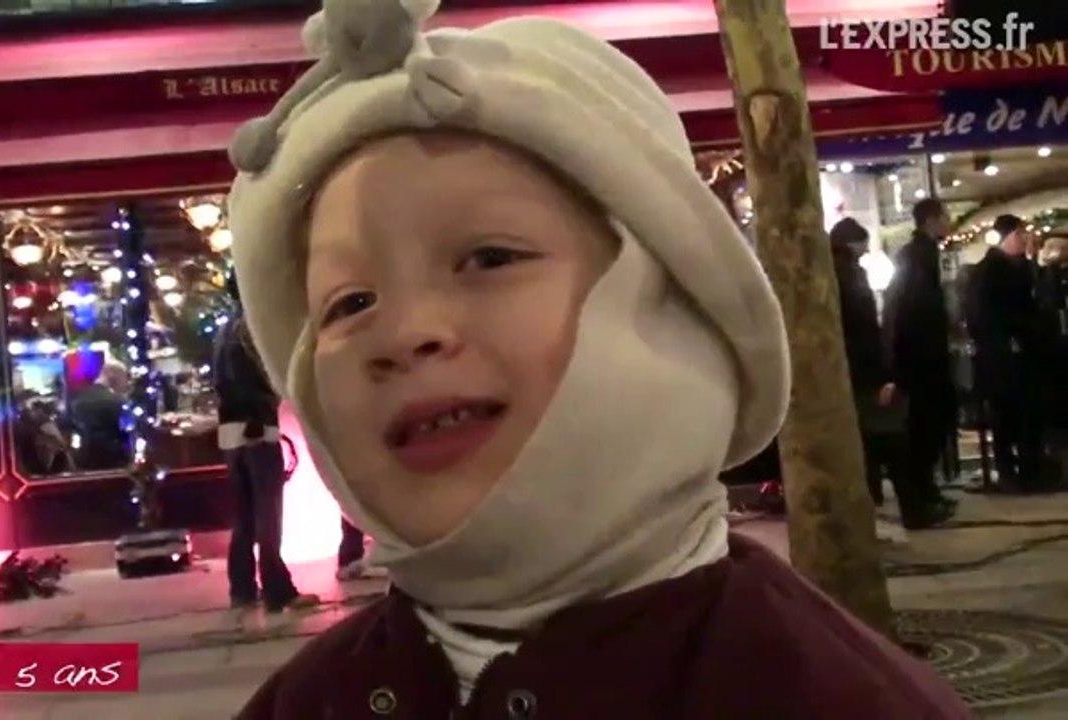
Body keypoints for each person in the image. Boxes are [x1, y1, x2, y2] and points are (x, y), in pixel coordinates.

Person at [225, 7, 969, 718]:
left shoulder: (834, 698)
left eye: (489, 257)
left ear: (670, 298)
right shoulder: (303, 703)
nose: (404, 333)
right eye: (348, 303)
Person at [830, 218, 949, 528]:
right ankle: (913, 510)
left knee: (876, 447)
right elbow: (865, 331)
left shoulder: (832, 275)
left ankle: (885, 512)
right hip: (865, 374)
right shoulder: (850, 278)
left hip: (849, 374)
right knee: (892, 442)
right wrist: (884, 374)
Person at [212, 277, 319, 613]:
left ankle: (241, 589)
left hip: (230, 430)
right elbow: (255, 378)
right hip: (256, 428)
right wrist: (265, 407)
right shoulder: (249, 329)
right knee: (268, 514)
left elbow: (221, 381)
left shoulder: (222, 330)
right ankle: (277, 589)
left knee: (244, 514)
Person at [883, 198, 958, 511]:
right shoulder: (920, 255)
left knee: (926, 427)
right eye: (945, 216)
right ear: (932, 219)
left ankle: (926, 491)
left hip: (918, 357)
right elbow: (917, 310)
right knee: (925, 428)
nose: (949, 221)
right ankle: (922, 495)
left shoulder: (914, 254)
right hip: (922, 359)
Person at [966, 215, 1045, 491]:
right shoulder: (993, 271)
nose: (1026, 241)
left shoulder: (1013, 267)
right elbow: (987, 315)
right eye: (1022, 235)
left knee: (1019, 415)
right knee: (1008, 415)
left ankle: (1024, 468)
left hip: (1014, 354)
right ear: (1011, 236)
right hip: (1005, 357)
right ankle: (1011, 470)